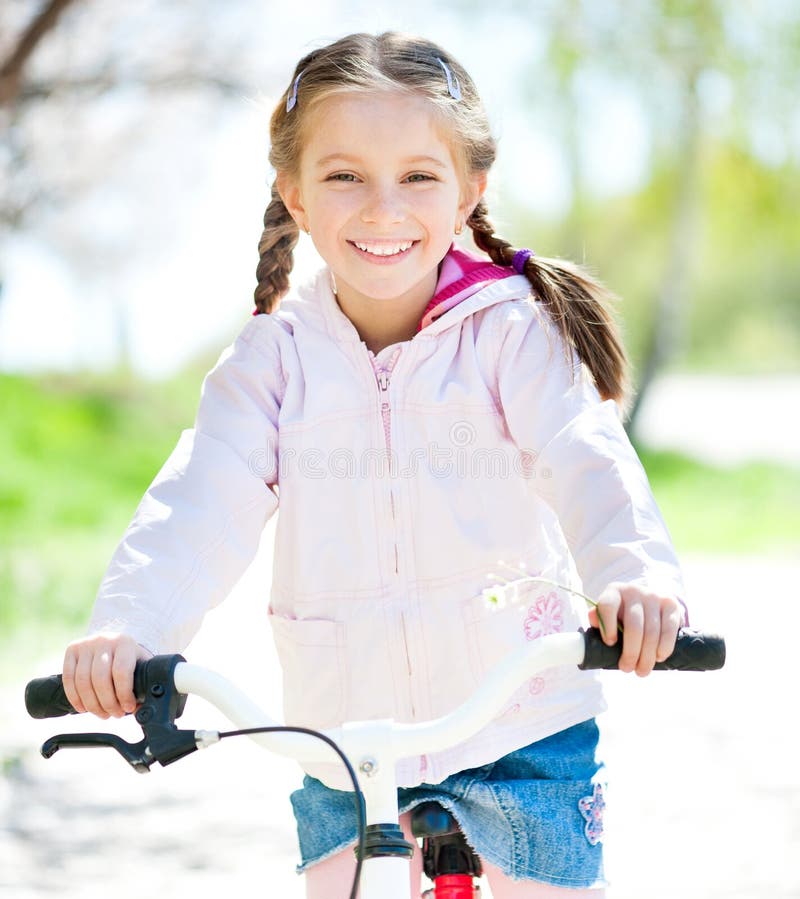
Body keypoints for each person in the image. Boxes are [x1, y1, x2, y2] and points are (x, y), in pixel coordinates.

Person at [61, 32, 687, 898]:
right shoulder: (273, 361)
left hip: (520, 728)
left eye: (419, 177)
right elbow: (199, 501)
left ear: (471, 191)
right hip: (345, 741)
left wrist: (634, 578)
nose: (381, 208)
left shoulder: (509, 334)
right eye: (345, 175)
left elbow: (586, 454)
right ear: (296, 195)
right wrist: (130, 630)